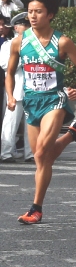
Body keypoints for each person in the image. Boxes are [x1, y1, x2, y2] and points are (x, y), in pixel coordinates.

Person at [6, 0, 76, 224]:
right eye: (30, 11)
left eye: (39, 12)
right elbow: (10, 73)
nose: (33, 16)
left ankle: (36, 208)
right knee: (41, 158)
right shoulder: (20, 41)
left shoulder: (62, 41)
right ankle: (72, 134)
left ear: (51, 14)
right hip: (31, 102)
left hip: (55, 101)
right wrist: (11, 96)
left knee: (43, 153)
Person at [0, 14, 31, 162]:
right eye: (24, 25)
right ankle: (6, 153)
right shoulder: (9, 45)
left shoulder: (35, 44)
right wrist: (22, 58)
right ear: (16, 28)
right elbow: (5, 65)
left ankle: (30, 153)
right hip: (16, 89)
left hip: (32, 90)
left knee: (31, 124)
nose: (28, 28)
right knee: (11, 122)